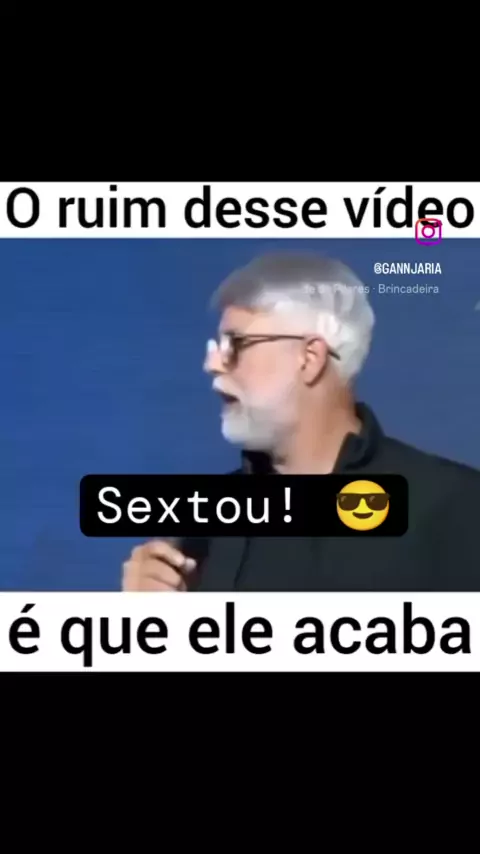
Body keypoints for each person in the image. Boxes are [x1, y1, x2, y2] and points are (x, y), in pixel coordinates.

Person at [122, 252, 480, 592]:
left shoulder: (456, 507)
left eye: (237, 344)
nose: (212, 364)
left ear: (310, 357)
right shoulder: (198, 531)